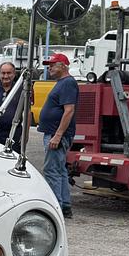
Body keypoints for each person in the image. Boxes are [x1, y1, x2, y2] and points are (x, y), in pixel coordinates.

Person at [37, 52, 78, 218]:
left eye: (53, 64)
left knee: (51, 171)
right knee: (60, 170)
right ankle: (65, 205)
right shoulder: (62, 83)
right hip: (55, 133)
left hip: (56, 135)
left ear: (63, 66)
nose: (50, 67)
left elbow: (69, 111)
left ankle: (55, 209)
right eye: (49, 65)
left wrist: (58, 135)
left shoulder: (68, 83)